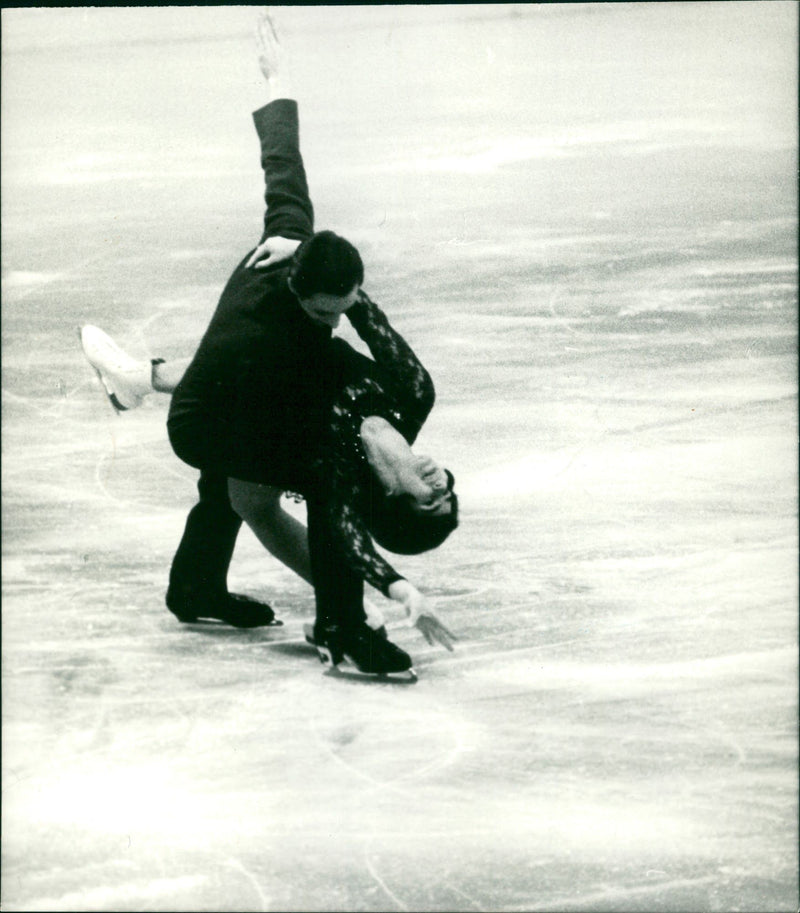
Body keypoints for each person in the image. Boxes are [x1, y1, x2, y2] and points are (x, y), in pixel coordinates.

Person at [81, 12, 458, 677]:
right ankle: (221, 592)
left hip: (209, 419)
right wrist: (278, 80)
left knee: (257, 494)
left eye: (431, 496)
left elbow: (343, 528)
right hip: (235, 397)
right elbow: (361, 307)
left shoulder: (329, 449)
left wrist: (400, 588)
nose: (440, 477)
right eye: (448, 486)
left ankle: (335, 621)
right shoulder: (409, 393)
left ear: (393, 499)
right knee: (247, 490)